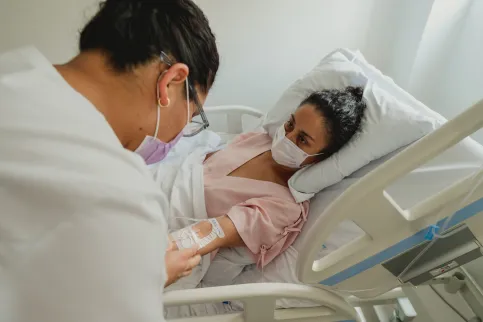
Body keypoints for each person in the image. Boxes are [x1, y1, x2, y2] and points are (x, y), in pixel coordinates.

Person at [0, 0, 219, 321]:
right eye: (193, 115)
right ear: (171, 81)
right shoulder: (120, 193)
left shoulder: (14, 69)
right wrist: (145, 273)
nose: (180, 135)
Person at [168, 87, 366, 270]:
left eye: (303, 140)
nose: (287, 137)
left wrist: (159, 255)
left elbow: (211, 232)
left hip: (173, 227)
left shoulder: (284, 208)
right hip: (166, 181)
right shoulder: (260, 140)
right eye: (290, 124)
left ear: (321, 158)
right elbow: (201, 166)